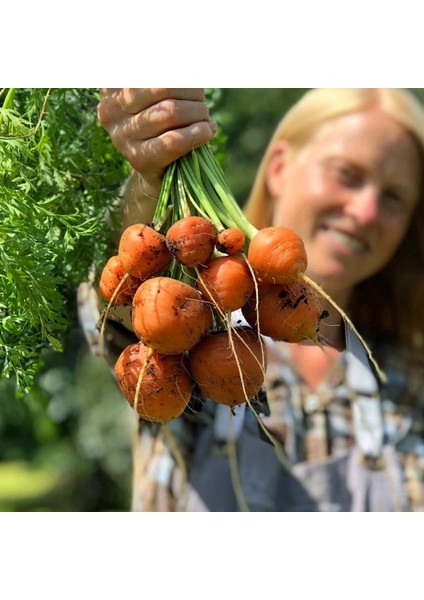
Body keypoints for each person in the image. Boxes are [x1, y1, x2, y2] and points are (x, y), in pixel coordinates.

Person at [93, 88, 424, 512]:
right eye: (347, 173)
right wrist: (148, 181)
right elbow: (119, 308)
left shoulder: (407, 380)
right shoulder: (187, 334)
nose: (365, 211)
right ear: (280, 167)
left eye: (394, 196)